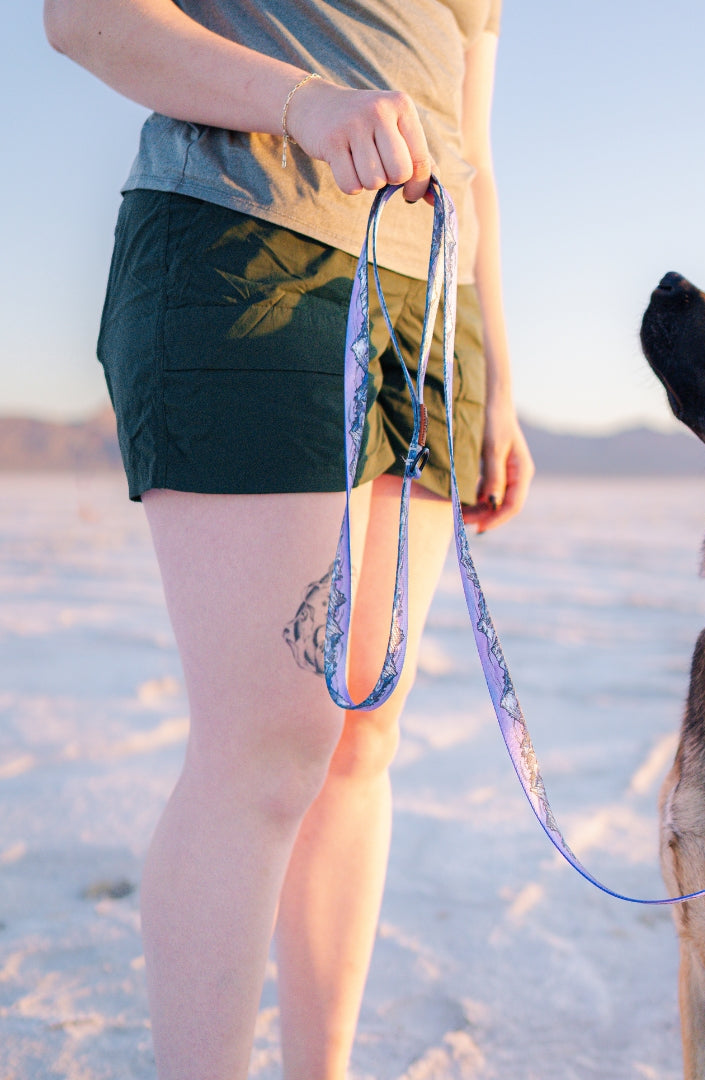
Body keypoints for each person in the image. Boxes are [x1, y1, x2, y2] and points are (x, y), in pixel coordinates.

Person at [42, 1, 534, 1077]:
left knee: (362, 740)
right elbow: (81, 17)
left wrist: (496, 375)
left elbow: (474, 151)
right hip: (250, 237)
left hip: (434, 303)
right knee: (269, 749)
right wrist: (302, 101)